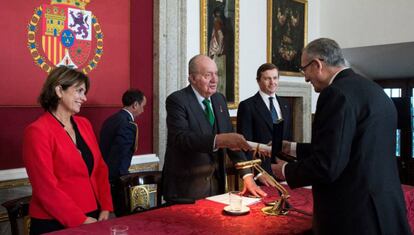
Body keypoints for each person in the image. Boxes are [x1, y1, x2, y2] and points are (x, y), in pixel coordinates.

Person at [272, 38, 410, 235]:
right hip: (386, 208)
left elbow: (328, 164)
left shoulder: (335, 94)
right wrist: (292, 148)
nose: (305, 79)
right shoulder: (374, 90)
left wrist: (285, 170)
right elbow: (348, 148)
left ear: (317, 64)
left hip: (354, 214)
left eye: (304, 70)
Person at [162, 54, 267, 202]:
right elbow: (181, 138)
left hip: (216, 189)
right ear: (192, 78)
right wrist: (219, 140)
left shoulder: (219, 99)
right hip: (186, 190)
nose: (215, 79)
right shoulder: (177, 100)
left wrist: (247, 176)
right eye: (207, 75)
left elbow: (232, 142)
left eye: (216, 74)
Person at [22, 66, 112, 234]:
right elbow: (45, 188)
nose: (84, 98)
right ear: (59, 90)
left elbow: (100, 168)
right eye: (79, 91)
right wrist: (81, 220)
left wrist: (105, 207)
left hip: (93, 214)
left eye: (84, 92)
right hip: (54, 221)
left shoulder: (85, 124)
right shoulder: (37, 131)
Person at [237, 63, 292, 185]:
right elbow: (245, 144)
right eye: (267, 78)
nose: (272, 82)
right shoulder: (247, 106)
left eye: (275, 78)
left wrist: (289, 167)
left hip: (283, 169)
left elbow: (288, 138)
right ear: (258, 81)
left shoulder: (286, 104)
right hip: (262, 172)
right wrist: (258, 173)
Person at [99, 89, 146, 216]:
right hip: (116, 179)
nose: (143, 110)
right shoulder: (128, 124)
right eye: (143, 106)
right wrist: (124, 180)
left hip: (103, 174)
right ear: (135, 105)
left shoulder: (111, 120)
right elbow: (121, 156)